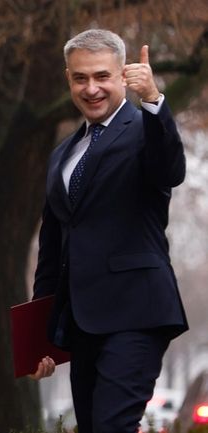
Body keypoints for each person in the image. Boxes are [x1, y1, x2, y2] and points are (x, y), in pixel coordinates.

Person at [30, 29, 188, 432]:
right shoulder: (63, 154)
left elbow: (170, 168)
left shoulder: (144, 129)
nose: (92, 88)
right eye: (80, 78)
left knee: (113, 425)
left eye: (102, 76)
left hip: (137, 312)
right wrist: (38, 338)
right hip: (82, 323)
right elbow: (53, 249)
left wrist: (153, 101)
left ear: (123, 76)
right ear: (68, 78)